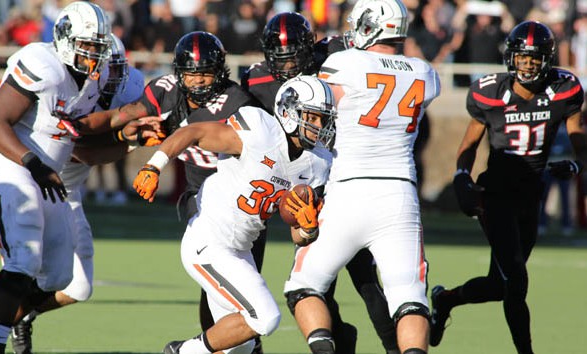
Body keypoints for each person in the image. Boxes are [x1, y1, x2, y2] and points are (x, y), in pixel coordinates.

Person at [75, 29, 263, 353]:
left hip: (239, 197)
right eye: (192, 75)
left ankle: (228, 342)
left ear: (219, 73)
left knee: (239, 284)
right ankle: (217, 343)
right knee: (215, 281)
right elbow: (126, 116)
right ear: (179, 74)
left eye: (206, 74)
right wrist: (80, 128)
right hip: (200, 196)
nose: (200, 82)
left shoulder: (237, 102)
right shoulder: (165, 90)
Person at [133, 74, 336, 354]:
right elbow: (192, 132)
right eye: (312, 118)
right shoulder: (259, 130)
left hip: (241, 251)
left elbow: (298, 235)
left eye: (323, 119)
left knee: (240, 347)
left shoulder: (318, 162)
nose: (319, 126)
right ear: (289, 113)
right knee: (265, 317)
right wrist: (154, 166)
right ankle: (181, 352)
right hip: (209, 242)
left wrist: (309, 229)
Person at [284, 0, 441, 353]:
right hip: (400, 196)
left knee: (304, 286)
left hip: (348, 190)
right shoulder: (425, 73)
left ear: (370, 26)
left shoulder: (345, 63)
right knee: (410, 298)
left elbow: (317, 111)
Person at [241, 11, 399, 354]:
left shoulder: (338, 60)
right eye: (280, 59)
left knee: (365, 277)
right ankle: (340, 338)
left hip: (345, 178)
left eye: (295, 56)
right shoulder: (255, 81)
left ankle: (393, 347)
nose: (287, 66)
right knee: (316, 283)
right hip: (300, 184)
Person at [430, 21, 586, 354]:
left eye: (534, 59)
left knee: (498, 286)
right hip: (495, 196)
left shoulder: (563, 89)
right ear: (510, 59)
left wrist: (576, 164)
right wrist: (461, 176)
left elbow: (579, 140)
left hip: (530, 195)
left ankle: (444, 300)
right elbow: (469, 144)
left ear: (546, 59)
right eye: (522, 58)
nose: (527, 65)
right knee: (516, 281)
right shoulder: (490, 93)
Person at [0, 2, 112, 353]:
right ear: (67, 39)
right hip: (8, 163)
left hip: (46, 176)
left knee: (59, 276)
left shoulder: (90, 83)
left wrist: (132, 133)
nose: (94, 56)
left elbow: (80, 140)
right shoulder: (43, 64)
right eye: (88, 47)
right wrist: (33, 163)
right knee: (23, 257)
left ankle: (3, 325)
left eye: (99, 48)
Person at [5, 33, 145, 354]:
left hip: (69, 193)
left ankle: (22, 318)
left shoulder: (125, 85)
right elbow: (83, 152)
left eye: (116, 69)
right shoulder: (64, 87)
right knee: (19, 277)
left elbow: (123, 117)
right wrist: (131, 138)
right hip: (33, 186)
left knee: (79, 287)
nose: (112, 78)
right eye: (103, 68)